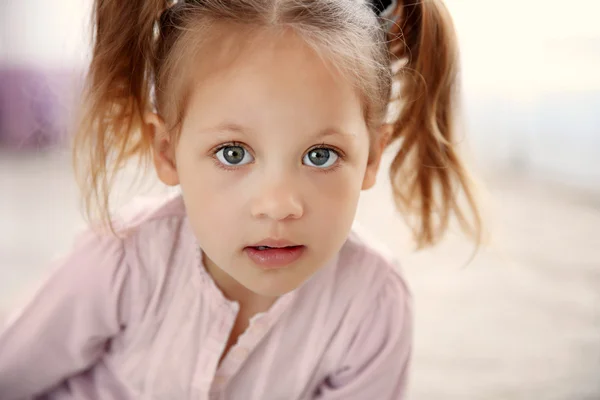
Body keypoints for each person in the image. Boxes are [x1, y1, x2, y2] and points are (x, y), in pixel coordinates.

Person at [0, 0, 481, 398]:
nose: (278, 205)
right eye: (233, 153)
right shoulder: (122, 259)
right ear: (167, 151)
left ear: (372, 156)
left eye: (320, 155)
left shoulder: (373, 304)